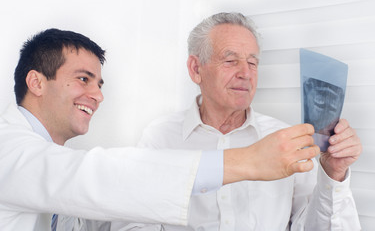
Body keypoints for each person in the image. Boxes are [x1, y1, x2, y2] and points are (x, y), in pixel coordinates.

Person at [0, 28, 319, 231]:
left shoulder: (48, 158)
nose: (97, 95)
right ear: (36, 82)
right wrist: (247, 162)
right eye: (83, 79)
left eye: (99, 84)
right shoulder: (8, 150)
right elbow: (98, 176)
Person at [110, 13, 362, 230]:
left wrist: (333, 174)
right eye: (231, 61)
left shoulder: (286, 140)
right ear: (196, 69)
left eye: (253, 62)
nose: (246, 73)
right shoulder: (160, 137)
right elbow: (133, 223)